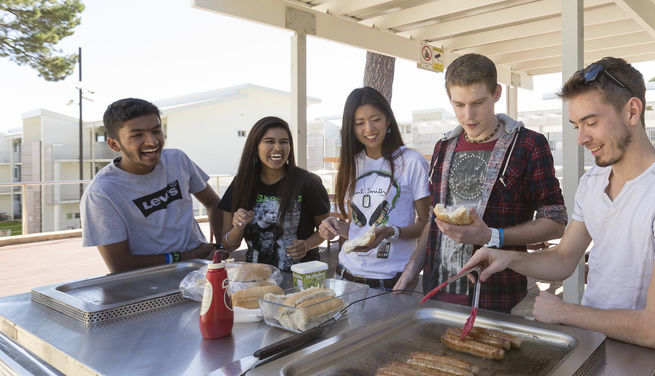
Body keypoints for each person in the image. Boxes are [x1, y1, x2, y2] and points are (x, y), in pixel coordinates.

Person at [463, 57, 655, 376]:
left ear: (632, 112)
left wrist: (565, 312)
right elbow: (564, 259)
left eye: (591, 123)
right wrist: (504, 258)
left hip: (638, 365)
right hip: (590, 346)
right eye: (576, 126)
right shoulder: (593, 181)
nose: (581, 138)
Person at [395, 53, 567, 313]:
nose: (469, 115)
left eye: (478, 102)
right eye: (459, 104)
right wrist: (411, 270)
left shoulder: (529, 144)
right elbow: (434, 220)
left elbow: (556, 222)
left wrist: (493, 235)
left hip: (496, 295)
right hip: (435, 293)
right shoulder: (443, 146)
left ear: (497, 93)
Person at [81, 98, 222, 273]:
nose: (152, 141)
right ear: (114, 144)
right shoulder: (102, 193)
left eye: (156, 131)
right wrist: (187, 256)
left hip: (200, 270)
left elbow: (214, 203)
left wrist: (222, 247)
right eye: (137, 135)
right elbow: (119, 264)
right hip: (148, 282)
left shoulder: (177, 160)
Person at [317, 87, 431, 290]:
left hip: (391, 282)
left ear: (388, 119)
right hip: (345, 275)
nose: (369, 128)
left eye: (375, 119)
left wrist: (392, 232)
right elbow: (359, 229)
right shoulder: (352, 163)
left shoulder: (411, 161)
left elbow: (428, 225)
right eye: (359, 123)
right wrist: (333, 226)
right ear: (351, 128)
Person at [219, 116, 330, 274]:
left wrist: (306, 245)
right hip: (257, 278)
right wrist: (239, 226)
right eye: (269, 141)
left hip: (302, 277)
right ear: (255, 146)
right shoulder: (241, 184)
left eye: (284, 142)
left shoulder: (308, 182)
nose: (278, 147)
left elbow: (326, 230)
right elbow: (229, 245)